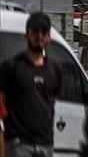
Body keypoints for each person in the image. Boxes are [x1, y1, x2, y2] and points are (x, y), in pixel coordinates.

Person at [0, 13, 62, 157]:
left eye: (43, 32)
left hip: (46, 144)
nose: (39, 36)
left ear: (49, 37)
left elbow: (53, 100)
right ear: (26, 35)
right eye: (35, 32)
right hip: (18, 144)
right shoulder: (11, 67)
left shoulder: (55, 70)